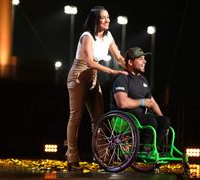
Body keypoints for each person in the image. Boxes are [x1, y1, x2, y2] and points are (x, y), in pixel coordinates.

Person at [65, 6, 127, 171]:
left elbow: (119, 57)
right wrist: (113, 71)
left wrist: (130, 66)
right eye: (103, 17)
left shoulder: (108, 36)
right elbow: (91, 62)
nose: (107, 20)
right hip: (79, 75)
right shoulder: (87, 36)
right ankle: (71, 157)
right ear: (95, 20)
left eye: (108, 17)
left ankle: (100, 156)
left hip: (93, 76)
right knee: (76, 116)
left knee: (98, 118)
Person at [110, 47, 171, 152]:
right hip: (124, 118)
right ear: (130, 62)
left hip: (141, 117)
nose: (145, 61)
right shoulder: (122, 78)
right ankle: (143, 148)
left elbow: (151, 101)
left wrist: (161, 118)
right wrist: (142, 102)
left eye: (144, 58)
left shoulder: (142, 79)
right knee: (150, 120)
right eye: (141, 59)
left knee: (164, 121)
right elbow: (122, 103)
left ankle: (154, 148)